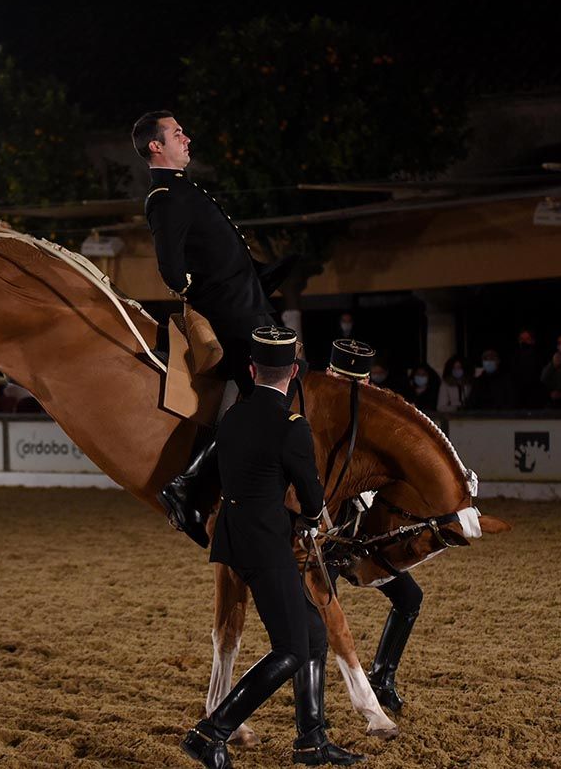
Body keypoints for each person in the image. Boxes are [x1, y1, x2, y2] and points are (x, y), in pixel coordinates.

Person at [181, 327, 363, 768]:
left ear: (251, 369)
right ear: (295, 372)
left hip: (234, 536)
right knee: (291, 649)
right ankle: (212, 731)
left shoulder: (233, 418)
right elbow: (313, 496)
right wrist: (309, 517)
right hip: (267, 544)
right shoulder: (292, 428)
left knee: (314, 633)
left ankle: (311, 740)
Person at [132, 110, 294, 546]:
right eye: (177, 133)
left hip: (249, 308)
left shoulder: (183, 189)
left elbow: (221, 257)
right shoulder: (165, 195)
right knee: (269, 403)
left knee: (271, 401)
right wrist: (201, 295)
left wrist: (268, 274)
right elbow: (173, 267)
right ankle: (188, 486)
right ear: (155, 145)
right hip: (235, 317)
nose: (187, 138)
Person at [325, 341, 424, 715]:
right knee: (316, 626)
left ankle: (382, 677)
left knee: (409, 598)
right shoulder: (318, 417)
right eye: (344, 378)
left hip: (360, 534)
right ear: (331, 375)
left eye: (359, 380)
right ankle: (311, 716)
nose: (353, 387)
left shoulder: (377, 420)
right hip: (320, 540)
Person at [510, 329, 545, 409]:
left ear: (533, 341)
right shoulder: (514, 356)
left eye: (527, 339)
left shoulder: (539, 356)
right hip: (518, 394)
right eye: (522, 339)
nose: (524, 342)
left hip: (535, 394)